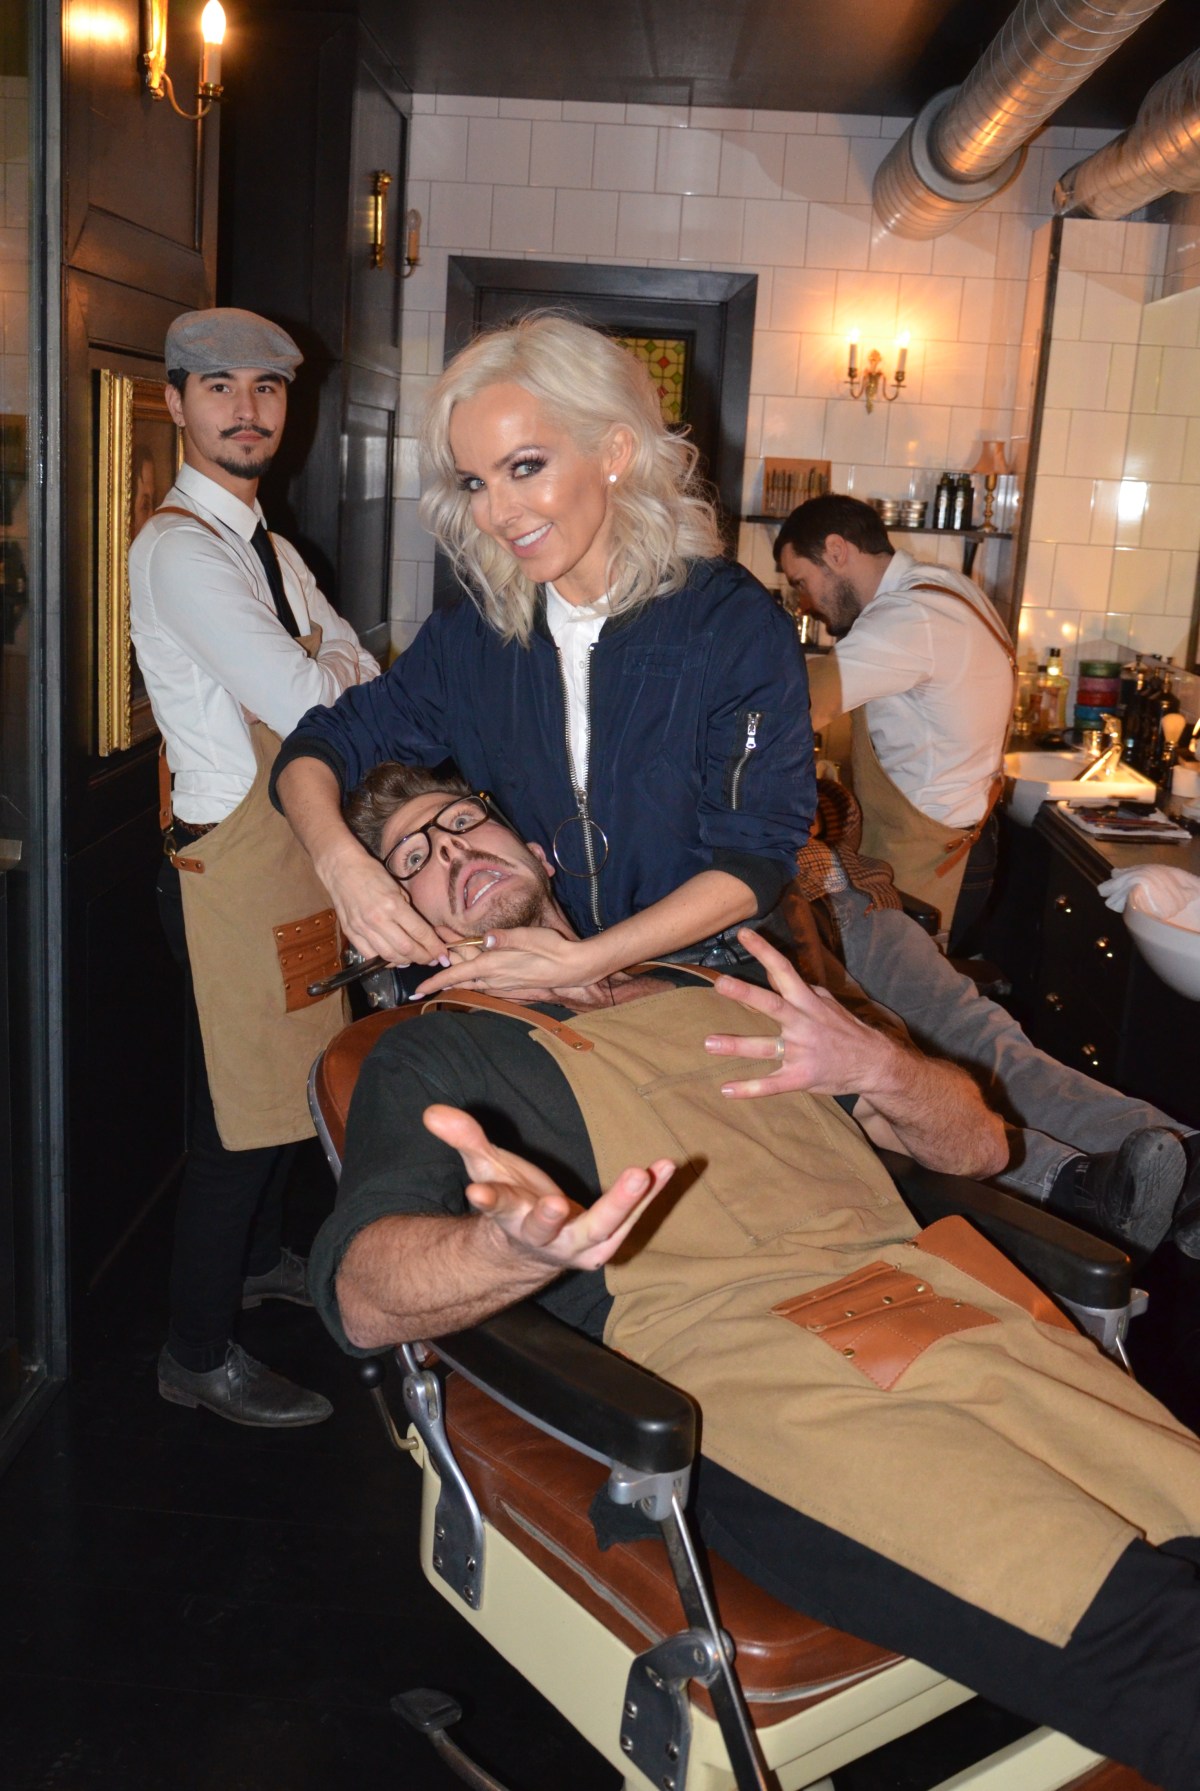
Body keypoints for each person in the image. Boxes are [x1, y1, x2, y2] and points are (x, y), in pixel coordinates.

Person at [309, 764, 1200, 1791]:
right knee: (1152, 1640)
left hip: (944, 1312)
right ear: (400, 922)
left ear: (541, 852)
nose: (452, 850)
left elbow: (977, 1150)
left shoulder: (716, 979)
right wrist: (507, 1251)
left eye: (465, 822)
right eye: (412, 861)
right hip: (752, 1382)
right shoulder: (437, 1057)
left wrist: (883, 1068)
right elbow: (360, 1297)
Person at [271, 313, 815, 998]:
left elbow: (755, 861)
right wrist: (342, 866)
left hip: (711, 978)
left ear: (614, 451)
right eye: (475, 483)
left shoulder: (729, 625)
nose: (497, 513)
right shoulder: (474, 640)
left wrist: (587, 962)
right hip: (551, 982)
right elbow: (317, 748)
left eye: (525, 468)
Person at [129, 307, 380, 1428]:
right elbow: (314, 695)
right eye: (219, 387)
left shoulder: (270, 550)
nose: (247, 409)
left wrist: (329, 666)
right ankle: (195, 1351)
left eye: (267, 389)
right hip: (230, 871)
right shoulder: (181, 550)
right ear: (175, 402)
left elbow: (353, 670)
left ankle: (263, 1258)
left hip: (287, 858)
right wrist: (329, 666)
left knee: (294, 1081)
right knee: (236, 1119)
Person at [780, 777, 1197, 1256]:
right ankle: (1074, 1187)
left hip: (852, 900)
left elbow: (838, 812)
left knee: (985, 1038)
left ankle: (1188, 1160)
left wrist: (817, 804)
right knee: (888, 1062)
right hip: (780, 928)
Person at [774, 493, 1015, 947]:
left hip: (931, 857)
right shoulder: (943, 587)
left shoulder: (908, 617)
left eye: (802, 581)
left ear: (836, 551)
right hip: (949, 841)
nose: (804, 603)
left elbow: (795, 705)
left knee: (906, 985)